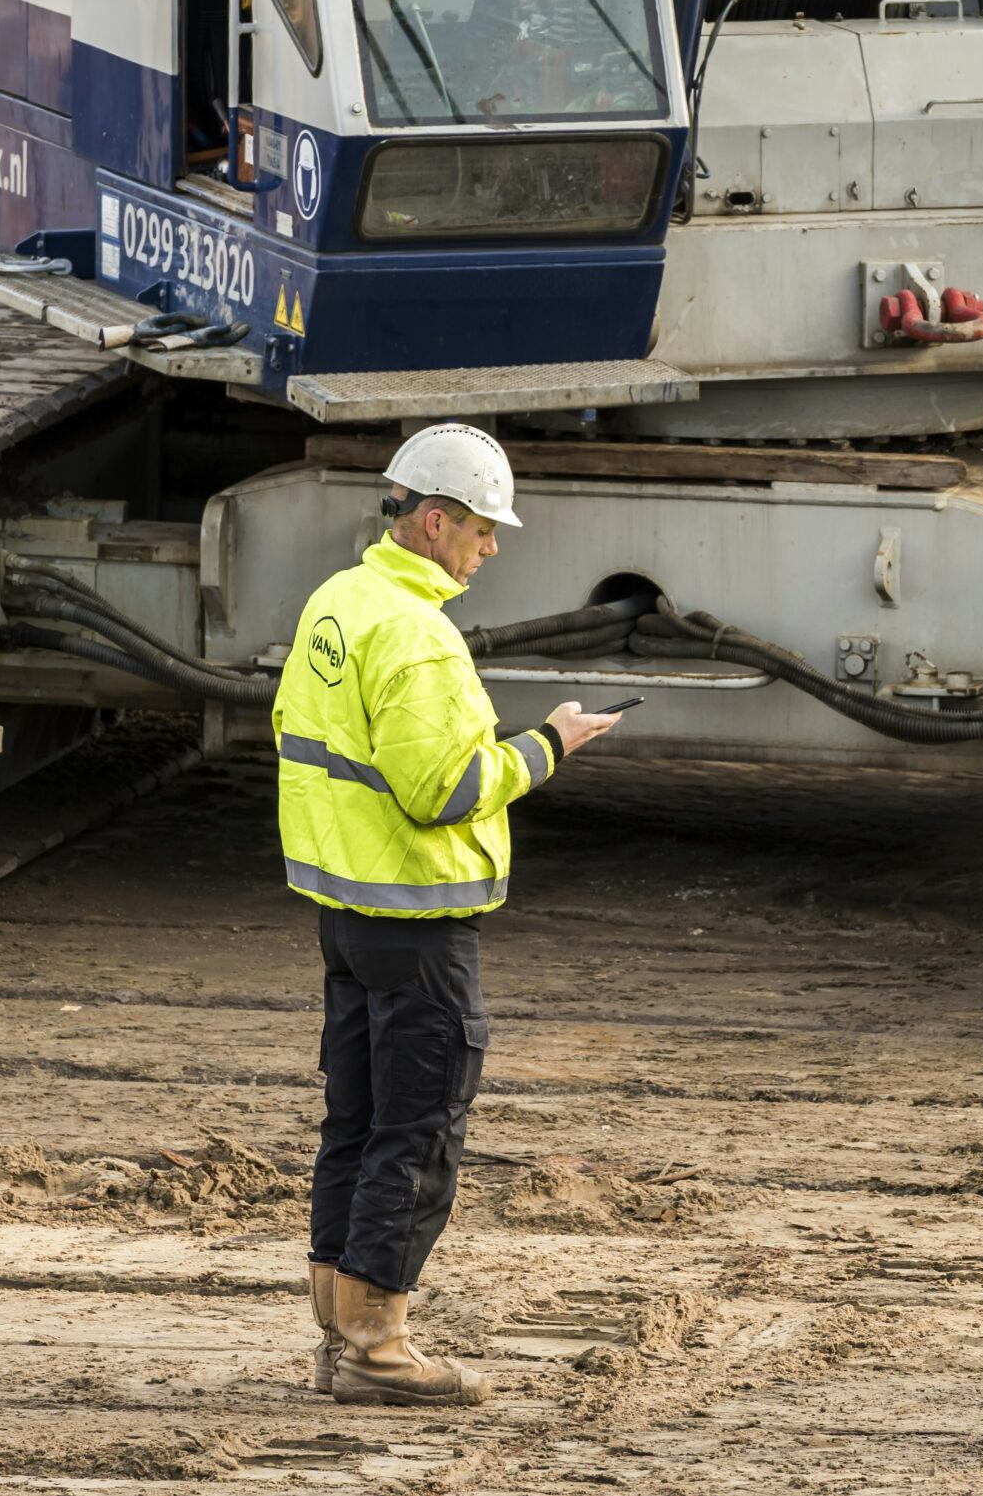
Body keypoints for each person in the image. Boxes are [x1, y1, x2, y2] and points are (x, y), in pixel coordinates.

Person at [272, 423, 624, 1407]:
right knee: (418, 1128)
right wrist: (548, 743)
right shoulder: (417, 632)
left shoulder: (339, 600)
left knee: (356, 1120)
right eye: (481, 525)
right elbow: (443, 786)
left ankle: (334, 1337)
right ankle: (378, 1347)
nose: (492, 545)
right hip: (416, 919)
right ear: (433, 519)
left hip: (346, 909)